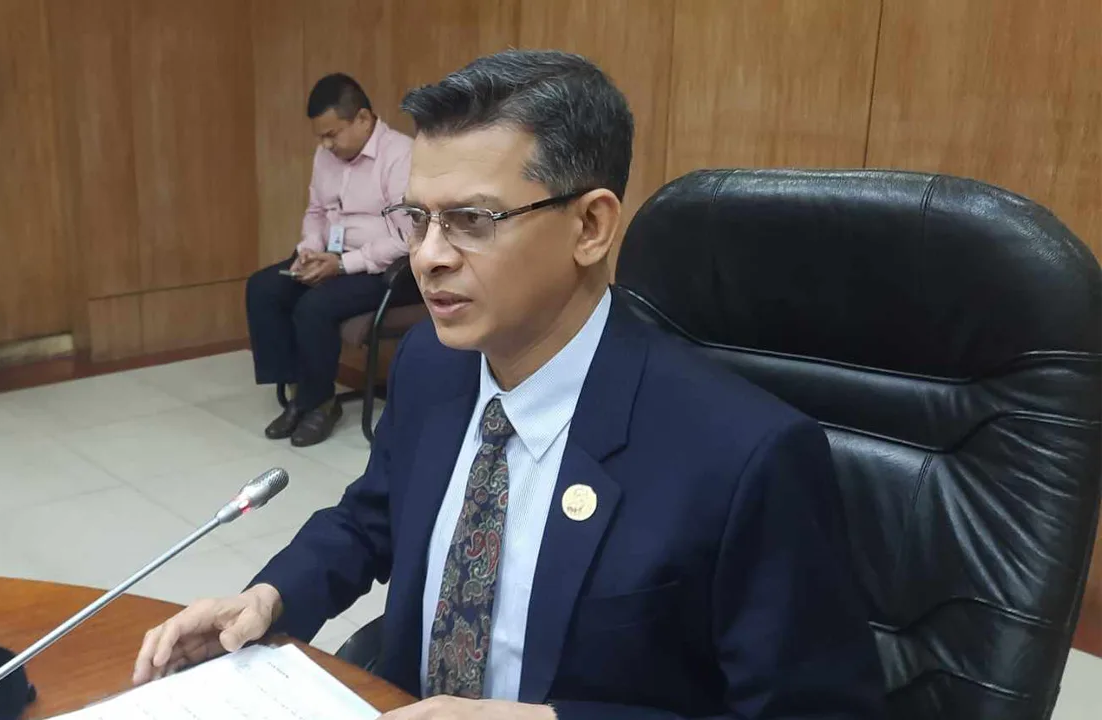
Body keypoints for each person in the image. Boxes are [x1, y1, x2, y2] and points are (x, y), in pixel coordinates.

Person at [137, 50, 887, 719]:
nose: (428, 257)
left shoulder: (746, 455)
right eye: (418, 218)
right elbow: (373, 518)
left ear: (590, 227)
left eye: (470, 219)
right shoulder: (432, 364)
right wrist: (270, 597)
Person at [244, 73, 413, 447]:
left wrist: (343, 265)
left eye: (332, 134)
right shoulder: (326, 156)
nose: (325, 145)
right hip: (333, 255)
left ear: (363, 119)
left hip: (386, 269)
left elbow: (409, 238)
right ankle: (299, 393)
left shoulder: (401, 156)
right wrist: (309, 248)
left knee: (314, 306)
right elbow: (317, 211)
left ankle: (320, 403)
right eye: (321, 137)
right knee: (264, 288)